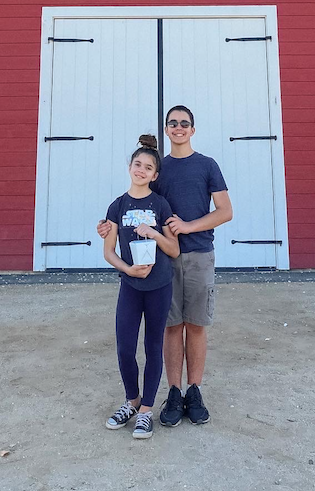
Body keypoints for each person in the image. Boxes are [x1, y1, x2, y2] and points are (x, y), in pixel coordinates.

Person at [99, 106, 232, 427]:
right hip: (163, 262)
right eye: (173, 123)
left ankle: (194, 389)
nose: (178, 128)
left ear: (193, 129)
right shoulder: (160, 168)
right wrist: (108, 226)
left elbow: (225, 211)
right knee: (171, 327)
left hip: (199, 255)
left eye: (184, 123)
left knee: (196, 324)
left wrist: (188, 226)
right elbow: (138, 207)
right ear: (167, 129)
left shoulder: (207, 165)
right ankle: (173, 391)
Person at [102, 134, 180, 440]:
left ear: (155, 175)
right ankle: (131, 400)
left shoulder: (161, 204)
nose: (141, 170)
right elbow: (108, 251)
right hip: (130, 286)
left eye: (148, 167)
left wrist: (155, 233)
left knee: (152, 347)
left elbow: (173, 250)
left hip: (160, 286)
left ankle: (146, 410)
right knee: (124, 346)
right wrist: (128, 269)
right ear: (130, 167)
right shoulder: (117, 205)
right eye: (138, 164)